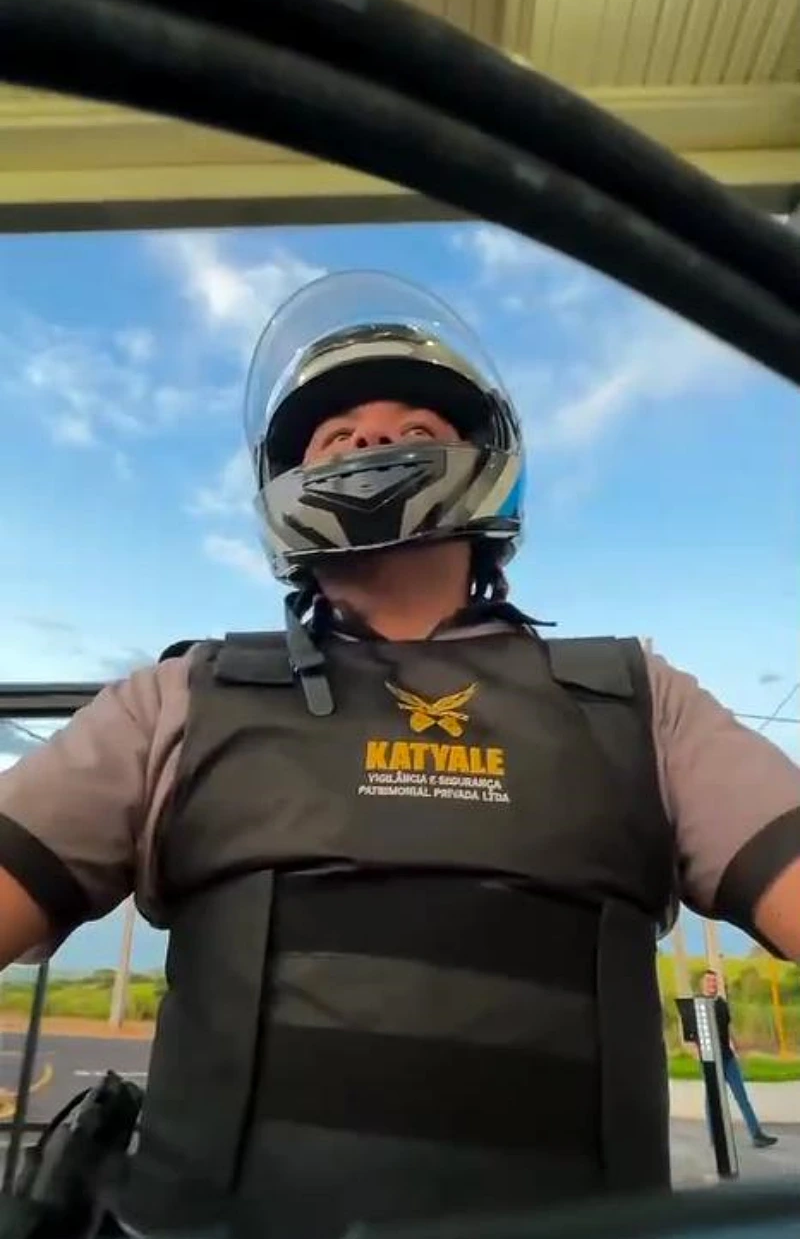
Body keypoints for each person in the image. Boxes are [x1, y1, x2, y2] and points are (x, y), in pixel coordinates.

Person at [0, 270, 799, 1239]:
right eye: (336, 434)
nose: (369, 441)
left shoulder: (636, 699)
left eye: (412, 424)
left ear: (484, 462)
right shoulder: (180, 698)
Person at [695, 969, 778, 1149]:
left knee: (742, 1097)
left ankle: (757, 1135)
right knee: (713, 1100)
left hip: (728, 1059)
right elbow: (693, 1036)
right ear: (702, 984)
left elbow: (727, 1030)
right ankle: (715, 1137)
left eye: (714, 981)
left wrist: (737, 1048)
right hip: (710, 1061)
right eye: (709, 981)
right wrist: (699, 1055)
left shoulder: (722, 1004)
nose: (712, 984)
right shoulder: (697, 1006)